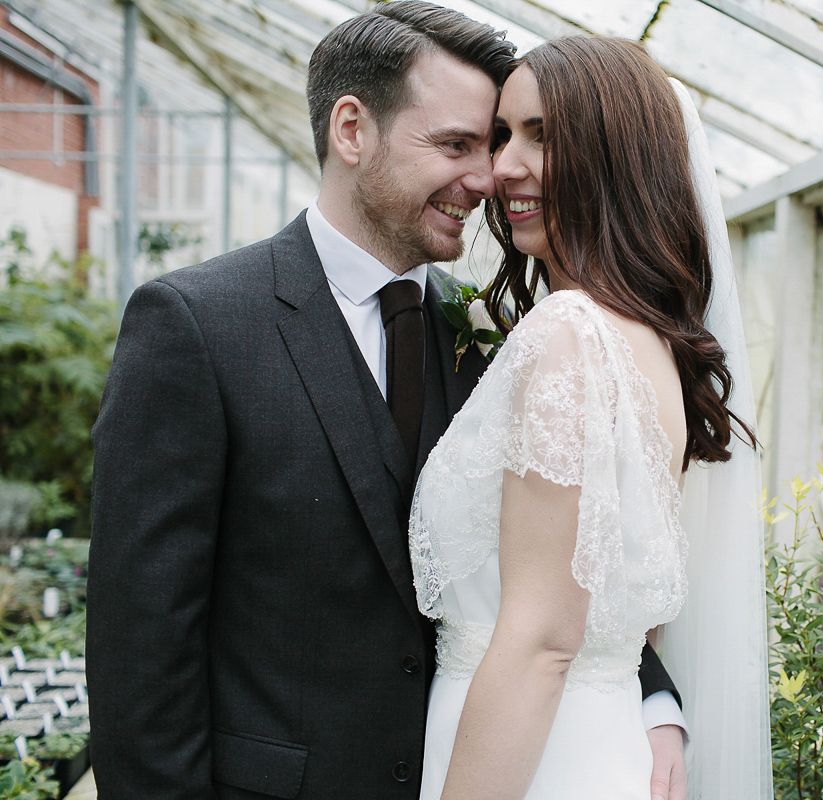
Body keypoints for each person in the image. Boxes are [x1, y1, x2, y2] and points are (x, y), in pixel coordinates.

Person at [86, 4, 684, 798]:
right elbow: (140, 650)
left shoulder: (501, 335)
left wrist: (650, 702)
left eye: (497, 142)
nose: (488, 178)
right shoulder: (195, 325)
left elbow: (563, 554)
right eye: (457, 145)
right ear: (351, 130)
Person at [410, 36, 772, 800]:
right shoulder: (645, 344)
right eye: (504, 133)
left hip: (524, 762)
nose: (504, 165)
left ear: (617, 156)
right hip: (590, 744)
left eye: (543, 135)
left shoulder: (570, 334)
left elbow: (543, 641)